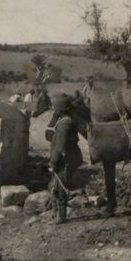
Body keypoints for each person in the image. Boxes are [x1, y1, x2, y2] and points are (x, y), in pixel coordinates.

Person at [48, 96, 84, 224]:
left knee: (58, 189)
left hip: (65, 160)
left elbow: (60, 147)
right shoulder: (64, 120)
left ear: (60, 109)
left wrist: (53, 162)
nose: (53, 109)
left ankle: (60, 217)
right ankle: (56, 215)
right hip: (66, 158)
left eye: (54, 107)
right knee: (54, 186)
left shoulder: (64, 124)